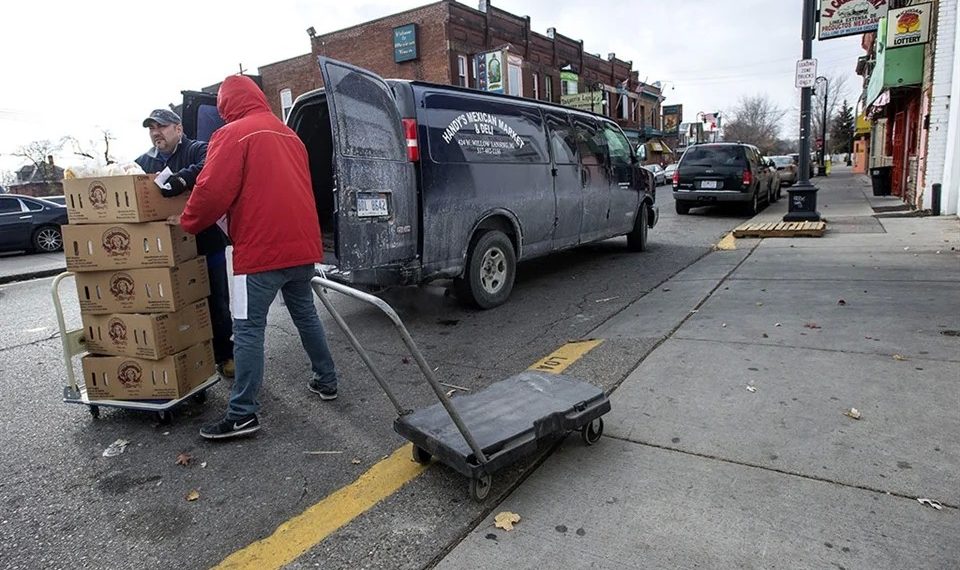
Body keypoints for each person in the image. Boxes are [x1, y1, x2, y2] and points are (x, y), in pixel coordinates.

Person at [174, 75, 338, 440]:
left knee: (247, 329)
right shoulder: (289, 135)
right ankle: (327, 381)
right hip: (301, 249)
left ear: (227, 105)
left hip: (259, 252)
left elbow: (212, 190)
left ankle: (243, 413)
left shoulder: (232, 135)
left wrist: (187, 222)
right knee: (306, 316)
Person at [135, 109, 235, 379]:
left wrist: (181, 179)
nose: (156, 132)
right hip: (167, 249)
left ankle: (225, 354)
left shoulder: (197, 149)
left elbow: (210, 166)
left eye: (162, 127)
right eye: (151, 128)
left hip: (206, 242)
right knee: (178, 306)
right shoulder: (144, 162)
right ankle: (191, 358)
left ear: (178, 129)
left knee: (216, 302)